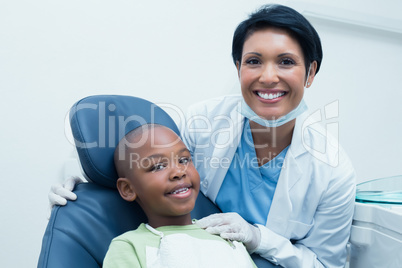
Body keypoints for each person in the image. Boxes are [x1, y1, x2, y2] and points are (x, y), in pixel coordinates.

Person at [50, 4, 356, 267]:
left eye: (286, 61)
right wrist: (79, 177)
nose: (268, 76)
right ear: (238, 68)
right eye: (253, 61)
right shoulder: (203, 120)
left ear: (311, 72)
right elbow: (146, 158)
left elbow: (324, 264)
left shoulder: (332, 170)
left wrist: (259, 238)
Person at [103, 124, 256, 267]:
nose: (178, 172)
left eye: (184, 160)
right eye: (158, 166)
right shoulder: (130, 246)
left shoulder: (226, 235)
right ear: (128, 189)